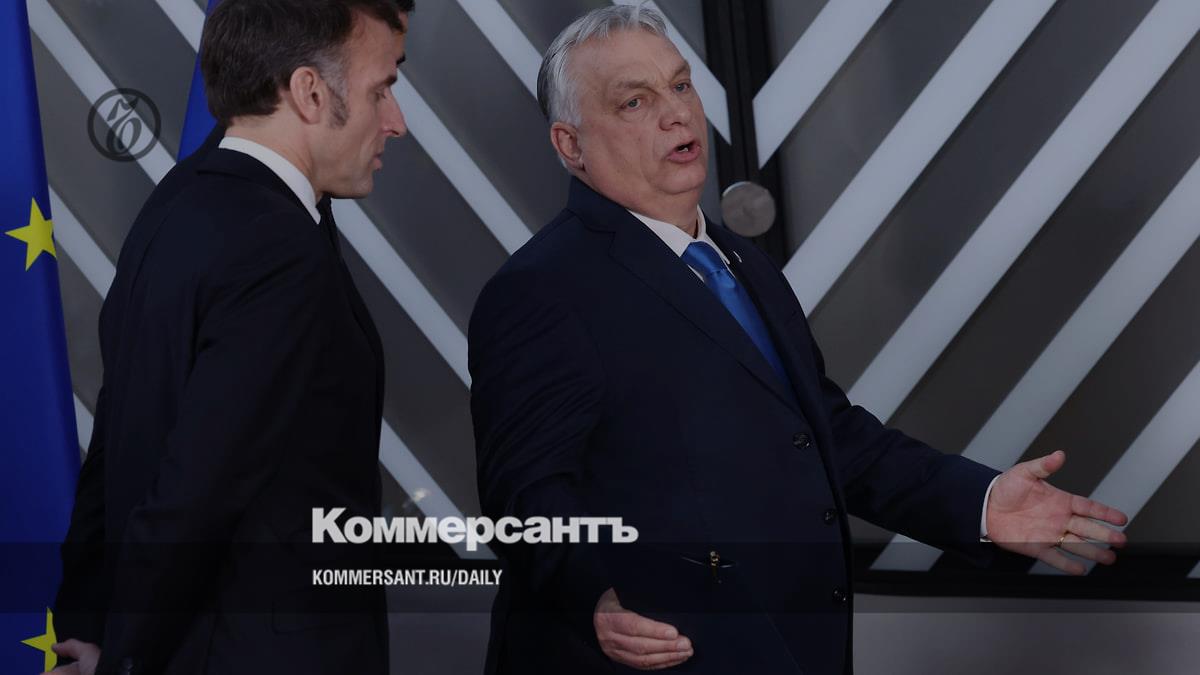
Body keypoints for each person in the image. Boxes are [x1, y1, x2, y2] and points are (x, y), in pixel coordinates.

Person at [469, 6, 1128, 674]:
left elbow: (825, 436)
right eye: (634, 101)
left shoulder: (744, 263)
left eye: (680, 85)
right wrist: (593, 595)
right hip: (660, 655)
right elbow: (524, 495)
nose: (676, 113)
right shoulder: (541, 288)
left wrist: (979, 505)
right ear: (570, 145)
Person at [49, 1, 411, 673]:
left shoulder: (177, 202)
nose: (396, 121)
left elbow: (122, 440)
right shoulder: (280, 249)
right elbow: (197, 491)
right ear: (309, 92)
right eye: (381, 89)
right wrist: (124, 658)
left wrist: (94, 627)